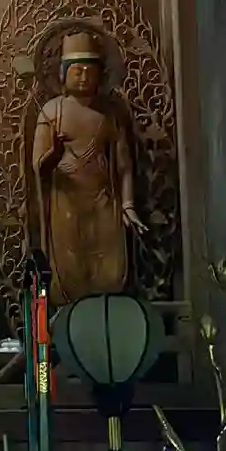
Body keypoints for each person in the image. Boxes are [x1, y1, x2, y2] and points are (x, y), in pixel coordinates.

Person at [32, 27, 144, 303]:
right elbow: (39, 168)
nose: (83, 77)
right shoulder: (52, 111)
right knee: (71, 269)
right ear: (63, 74)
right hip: (66, 202)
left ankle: (106, 313)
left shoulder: (109, 114)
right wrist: (55, 153)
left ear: (100, 75)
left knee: (108, 270)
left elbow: (124, 165)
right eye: (77, 71)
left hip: (104, 200)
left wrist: (128, 205)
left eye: (90, 71)